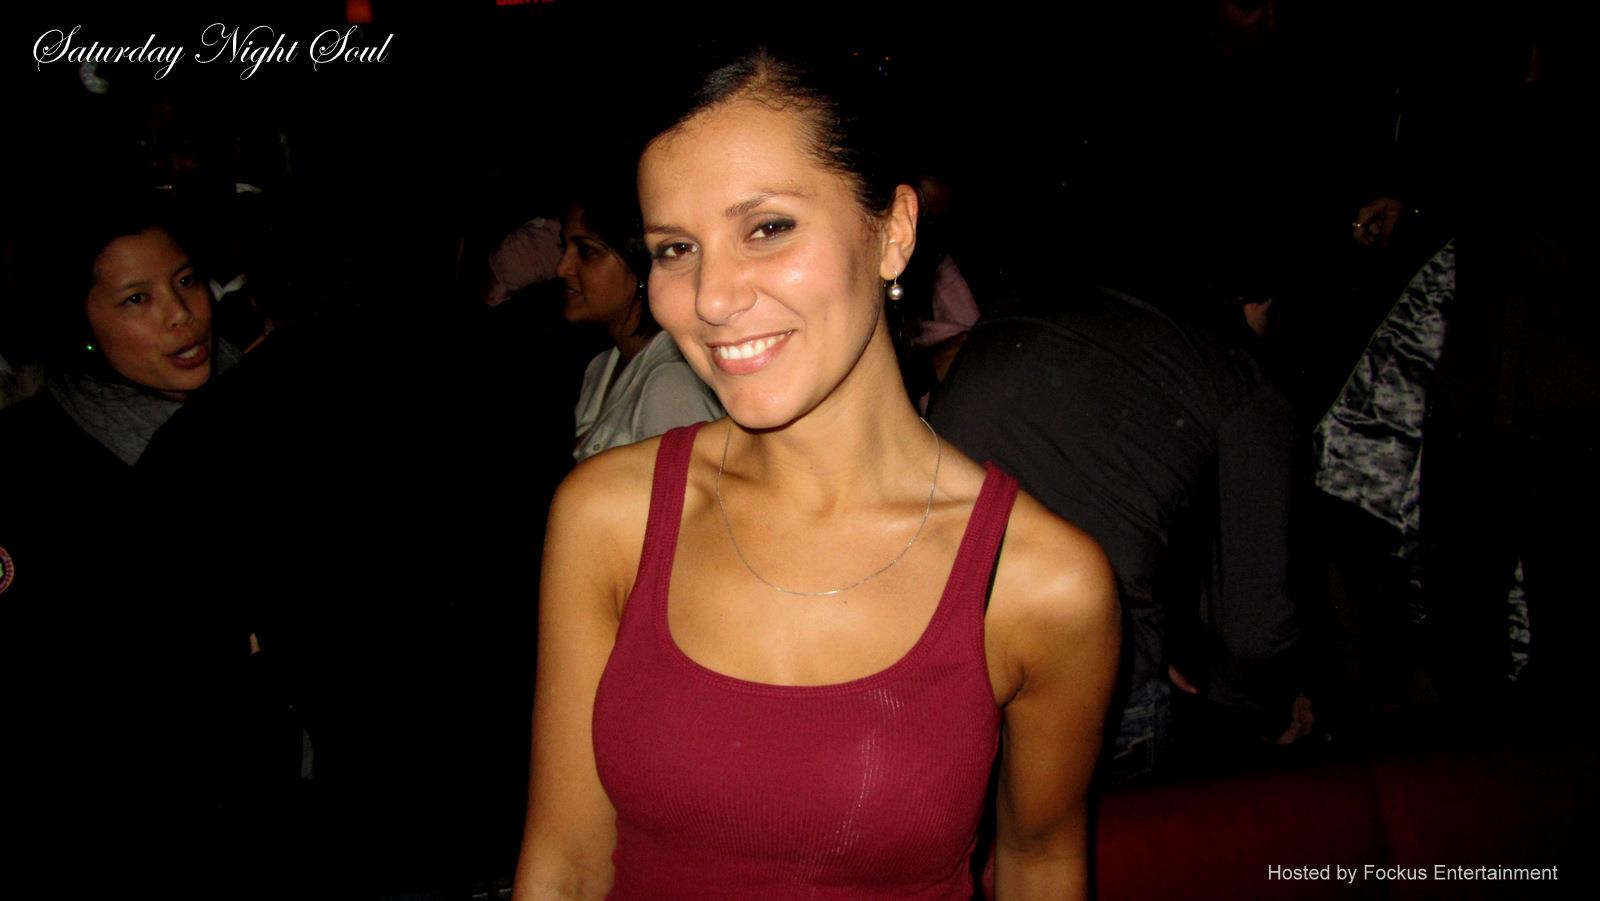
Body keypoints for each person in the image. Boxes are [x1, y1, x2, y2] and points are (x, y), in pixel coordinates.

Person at [514, 47, 1119, 900]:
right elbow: (566, 864)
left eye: (767, 227)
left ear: (893, 230)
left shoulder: (1037, 583)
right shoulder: (610, 516)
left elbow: (1040, 861)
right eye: (676, 247)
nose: (712, 297)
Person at [559, 178, 723, 461]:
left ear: (638, 263)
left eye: (587, 252)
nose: (562, 268)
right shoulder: (600, 367)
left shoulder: (672, 381)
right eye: (563, 248)